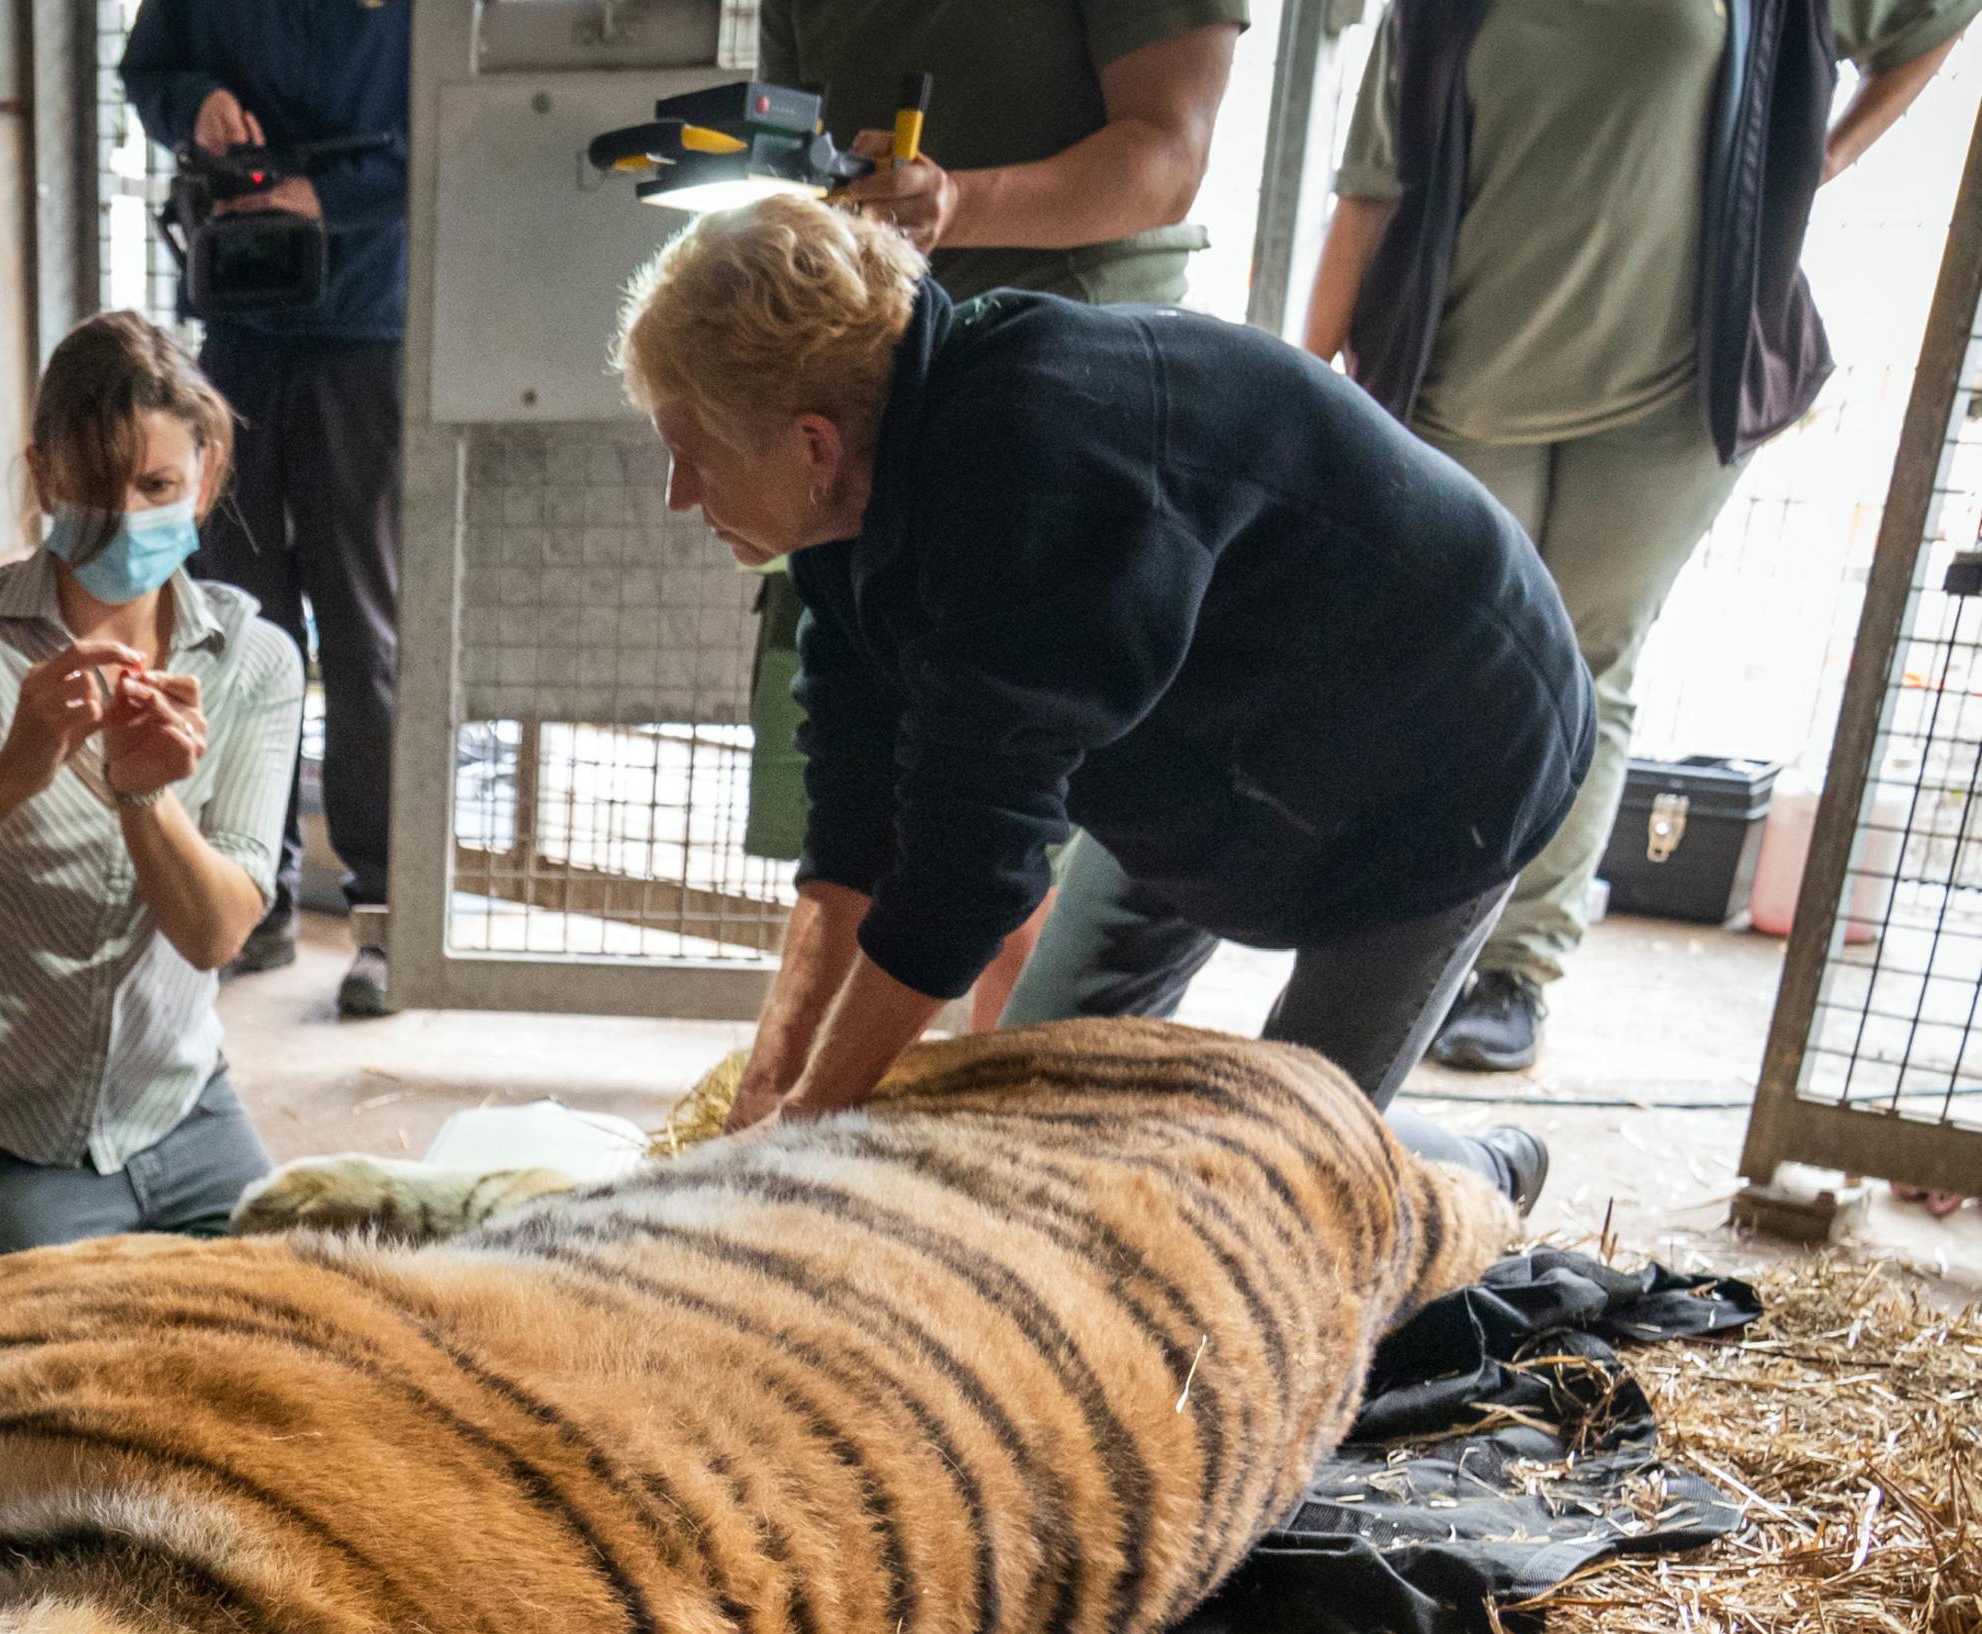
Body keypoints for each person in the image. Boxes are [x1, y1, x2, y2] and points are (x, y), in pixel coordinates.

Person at [616, 192, 1572, 1200]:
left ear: (811, 446)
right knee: (1037, 1112)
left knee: (1289, 1180)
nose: (681, 494)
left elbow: (962, 878)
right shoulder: (848, 499)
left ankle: (1485, 1175)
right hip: (1202, 744)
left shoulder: (1029, 476)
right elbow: (860, 818)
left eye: (695, 456)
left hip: (1445, 760)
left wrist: (804, 1127)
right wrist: (771, 1081)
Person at [1307, 0, 1973, 1075]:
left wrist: (1828, 155)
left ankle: (1516, 971)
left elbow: (1932, 20)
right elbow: (1367, 199)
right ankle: (1396, 953)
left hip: (1669, 399)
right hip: (1458, 383)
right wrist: (1304, 385)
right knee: (1449, 674)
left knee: (1587, 666)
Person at [749, 0, 1247, 1026]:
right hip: (873, 376)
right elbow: (791, 135)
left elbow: (1168, 153)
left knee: (1012, 827)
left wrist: (960, 204)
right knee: (862, 782)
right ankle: (830, 1108)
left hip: (1072, 401)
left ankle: (1003, 1100)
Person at [0, 313, 305, 1268]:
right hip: (1, 1141)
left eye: (157, 485)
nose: (125, 516)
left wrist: (142, 796)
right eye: (91, 486)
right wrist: (10, 774)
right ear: (43, 477)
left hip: (185, 1110)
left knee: (290, 1349)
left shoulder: (252, 660)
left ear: (206, 476)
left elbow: (215, 936)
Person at [120, 0, 409, 1016]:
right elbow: (148, 68)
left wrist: (318, 193)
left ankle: (387, 918)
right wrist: (193, 104)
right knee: (236, 621)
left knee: (366, 629)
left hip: (366, 323)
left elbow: (453, 139)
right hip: (238, 320)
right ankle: (254, 897)